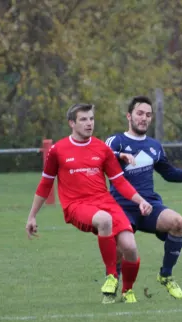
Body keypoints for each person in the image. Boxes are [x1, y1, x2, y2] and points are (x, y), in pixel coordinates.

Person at [25, 103, 153, 304]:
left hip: (105, 201)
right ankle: (111, 276)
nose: (89, 123)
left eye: (91, 119)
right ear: (72, 123)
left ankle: (127, 292)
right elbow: (45, 183)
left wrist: (140, 201)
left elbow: (119, 181)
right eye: (83, 119)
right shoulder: (58, 150)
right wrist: (32, 216)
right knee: (104, 220)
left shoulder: (102, 148)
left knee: (130, 247)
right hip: (76, 205)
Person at [105, 96, 182, 299]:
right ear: (129, 116)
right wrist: (120, 156)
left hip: (150, 205)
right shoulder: (116, 141)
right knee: (123, 245)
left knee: (178, 222)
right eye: (139, 113)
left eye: (148, 115)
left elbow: (169, 173)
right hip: (122, 206)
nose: (144, 118)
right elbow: (102, 156)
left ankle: (166, 275)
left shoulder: (154, 146)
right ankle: (114, 281)